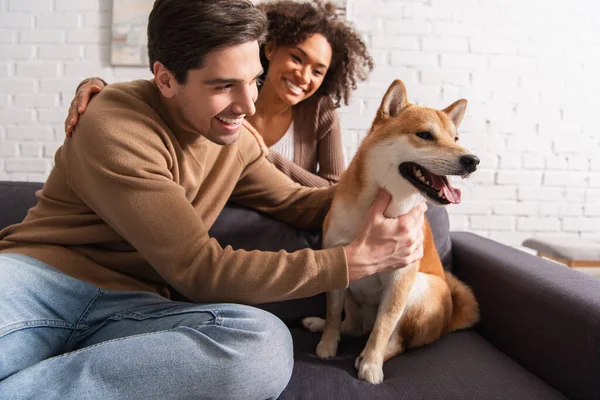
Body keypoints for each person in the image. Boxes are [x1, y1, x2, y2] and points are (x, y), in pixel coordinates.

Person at [0, 0, 427, 399]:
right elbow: (198, 269)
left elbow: (303, 204)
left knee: (262, 346)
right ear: (165, 78)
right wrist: (351, 261)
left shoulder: (233, 140)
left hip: (134, 309)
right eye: (224, 85)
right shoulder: (113, 124)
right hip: (38, 281)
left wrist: (400, 186)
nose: (248, 104)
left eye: (254, 80)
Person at [66, 0, 374, 187]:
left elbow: (333, 190)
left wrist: (266, 156)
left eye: (318, 70)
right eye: (297, 58)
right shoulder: (212, 104)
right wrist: (99, 92)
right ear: (271, 49)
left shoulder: (318, 113)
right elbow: (171, 90)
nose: (304, 76)